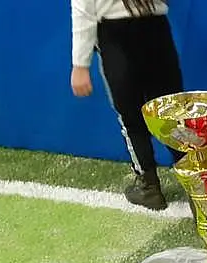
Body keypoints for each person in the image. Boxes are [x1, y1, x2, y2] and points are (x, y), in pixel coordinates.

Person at [70, 0, 184, 210]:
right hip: (156, 29)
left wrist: (80, 65)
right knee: (171, 112)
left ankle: (149, 186)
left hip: (116, 36)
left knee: (131, 118)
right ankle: (196, 179)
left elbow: (83, 11)